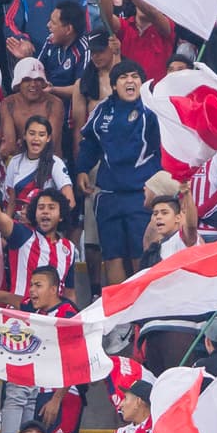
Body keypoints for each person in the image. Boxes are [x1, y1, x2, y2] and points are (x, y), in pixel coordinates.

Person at [75, 60, 161, 286]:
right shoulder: (102, 109)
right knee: (112, 256)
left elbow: (165, 149)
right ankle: (119, 318)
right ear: (114, 86)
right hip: (109, 194)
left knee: (139, 256)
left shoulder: (152, 110)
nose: (130, 81)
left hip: (140, 195)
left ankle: (141, 315)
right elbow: (89, 143)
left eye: (135, 76)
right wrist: (82, 169)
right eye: (124, 77)